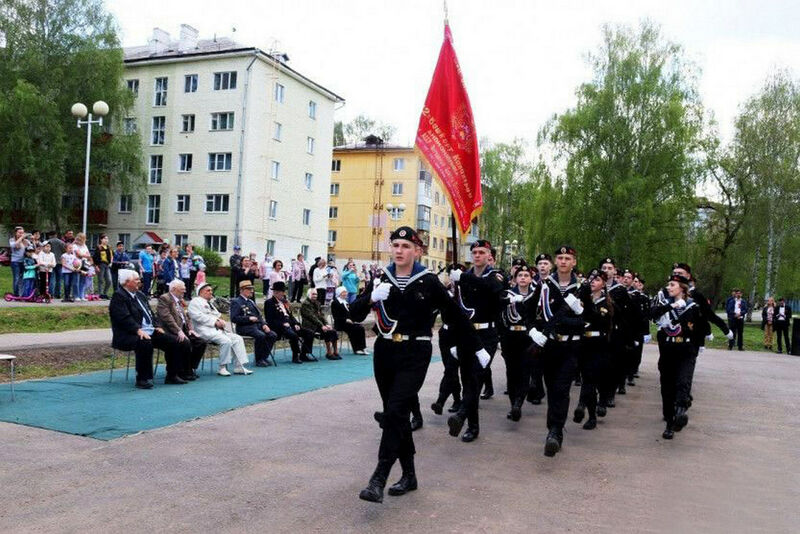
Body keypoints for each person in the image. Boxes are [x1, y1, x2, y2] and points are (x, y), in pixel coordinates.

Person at [350, 226, 488, 503]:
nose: (399, 251)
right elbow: (354, 314)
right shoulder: (381, 278)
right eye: (396, 245)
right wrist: (371, 297)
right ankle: (410, 475)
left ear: (417, 251)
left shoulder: (428, 281)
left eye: (405, 246)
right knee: (396, 415)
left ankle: (379, 477)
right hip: (385, 350)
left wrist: (477, 347)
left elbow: (456, 315)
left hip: (416, 351)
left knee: (396, 411)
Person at [528, 245, 585, 456]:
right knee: (552, 389)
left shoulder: (582, 288)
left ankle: (555, 431)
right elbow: (529, 312)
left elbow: (587, 322)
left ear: (574, 262)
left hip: (570, 347)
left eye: (567, 258)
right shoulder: (544, 286)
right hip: (549, 346)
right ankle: (553, 427)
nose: (563, 261)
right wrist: (533, 331)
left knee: (561, 389)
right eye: (560, 257)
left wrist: (577, 315)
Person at [447, 239, 504, 443]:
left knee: (476, 378)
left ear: (489, 256)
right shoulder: (466, 276)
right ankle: (473, 426)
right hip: (466, 334)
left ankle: (462, 416)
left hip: (486, 336)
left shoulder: (494, 276)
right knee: (466, 380)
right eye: (475, 252)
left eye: (482, 252)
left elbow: (494, 289)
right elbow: (457, 309)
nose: (478, 255)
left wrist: (462, 277)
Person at [109, 269, 188, 388]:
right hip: (128, 334)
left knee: (174, 341)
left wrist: (157, 326)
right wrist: (138, 330)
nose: (139, 281)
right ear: (126, 282)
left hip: (149, 331)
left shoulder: (140, 295)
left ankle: (172, 375)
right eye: (136, 279)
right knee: (145, 343)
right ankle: (143, 378)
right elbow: (124, 318)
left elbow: (150, 313)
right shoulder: (119, 296)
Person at [650, 273, 703, 439]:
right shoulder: (665, 304)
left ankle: (676, 417)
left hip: (686, 351)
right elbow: (652, 314)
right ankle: (669, 415)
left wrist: (698, 346)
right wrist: (671, 307)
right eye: (668, 284)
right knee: (667, 387)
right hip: (668, 350)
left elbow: (700, 327)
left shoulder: (693, 306)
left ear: (682, 288)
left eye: (672, 285)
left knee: (683, 382)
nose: (668, 287)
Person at [573, 269, 614, 430]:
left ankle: (583, 406)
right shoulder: (583, 298)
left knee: (590, 379)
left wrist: (586, 301)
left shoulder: (606, 303)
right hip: (582, 343)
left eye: (597, 280)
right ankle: (590, 414)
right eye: (591, 279)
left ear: (603, 284)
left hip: (598, 345)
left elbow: (596, 318)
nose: (592, 282)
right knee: (586, 378)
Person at [187, 282, 252, 376]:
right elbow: (198, 317)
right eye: (208, 290)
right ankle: (222, 367)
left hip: (216, 330)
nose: (211, 292)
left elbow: (217, 315)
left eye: (211, 290)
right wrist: (215, 321)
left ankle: (239, 366)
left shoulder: (209, 303)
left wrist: (221, 321)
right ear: (201, 292)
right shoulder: (195, 302)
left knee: (237, 339)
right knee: (226, 341)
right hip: (203, 330)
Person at [498, 262, 536, 422]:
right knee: (511, 373)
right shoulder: (507, 295)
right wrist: (500, 337)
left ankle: (518, 404)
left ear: (530, 279)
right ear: (515, 278)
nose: (523, 277)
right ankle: (513, 403)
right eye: (520, 275)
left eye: (526, 275)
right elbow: (500, 316)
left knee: (524, 372)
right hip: (510, 338)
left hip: (527, 339)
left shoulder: (536, 295)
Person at [156, 279, 207, 380]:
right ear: (174, 289)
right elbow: (167, 318)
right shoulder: (165, 298)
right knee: (185, 343)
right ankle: (182, 371)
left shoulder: (179, 300)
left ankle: (188, 368)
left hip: (183, 330)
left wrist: (190, 329)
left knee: (200, 342)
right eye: (182, 289)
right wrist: (178, 331)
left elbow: (186, 317)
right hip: (171, 330)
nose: (184, 291)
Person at [264, 281, 315, 363]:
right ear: (276, 292)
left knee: (309, 333)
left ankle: (304, 354)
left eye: (284, 291)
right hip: (279, 327)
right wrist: (282, 324)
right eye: (282, 292)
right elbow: (270, 320)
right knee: (293, 335)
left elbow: (290, 316)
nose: (284, 293)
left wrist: (296, 323)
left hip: (290, 325)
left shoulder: (284, 302)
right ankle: (295, 356)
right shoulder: (269, 303)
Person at [230, 280, 278, 367]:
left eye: (251, 289)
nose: (251, 291)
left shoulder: (251, 302)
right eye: (248, 289)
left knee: (272, 335)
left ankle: (264, 357)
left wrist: (264, 324)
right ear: (241, 290)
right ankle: (258, 359)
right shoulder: (236, 301)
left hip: (256, 326)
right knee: (261, 335)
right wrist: (248, 318)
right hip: (244, 327)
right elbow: (234, 318)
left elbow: (259, 315)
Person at [526, 253, 552, 405]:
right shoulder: (532, 283)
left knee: (548, 360)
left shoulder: (554, 283)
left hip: (549, 325)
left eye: (545, 263)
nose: (543, 266)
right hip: (536, 325)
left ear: (550, 266)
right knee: (534, 359)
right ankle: (537, 389)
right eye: (540, 263)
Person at [301, 288, 340, 360]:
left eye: (316, 294)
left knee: (333, 331)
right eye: (313, 294)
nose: (315, 296)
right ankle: (329, 353)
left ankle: (335, 352)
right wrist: (322, 326)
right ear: (309, 295)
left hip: (318, 325)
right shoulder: (305, 304)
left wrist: (327, 324)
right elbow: (312, 317)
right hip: (309, 325)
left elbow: (321, 316)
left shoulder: (317, 303)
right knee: (326, 331)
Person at [331, 286, 368, 354]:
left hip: (348, 323)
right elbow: (336, 316)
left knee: (361, 328)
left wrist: (353, 320)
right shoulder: (335, 303)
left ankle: (363, 347)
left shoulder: (345, 302)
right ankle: (356, 349)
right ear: (339, 293)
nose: (345, 293)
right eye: (343, 292)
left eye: (346, 292)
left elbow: (349, 314)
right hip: (340, 323)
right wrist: (345, 320)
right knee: (354, 329)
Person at [8, 226, 29, 296]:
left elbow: (32, 248)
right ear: (15, 233)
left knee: (23, 278)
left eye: (22, 233)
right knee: (16, 278)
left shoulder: (25, 241)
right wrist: (21, 237)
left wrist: (33, 240)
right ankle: (16, 294)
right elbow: (14, 245)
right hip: (15, 262)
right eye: (19, 233)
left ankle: (22, 293)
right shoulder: (12, 240)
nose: (21, 234)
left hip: (23, 262)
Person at [45, 231, 66, 298]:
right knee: (59, 279)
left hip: (51, 262)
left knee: (52, 279)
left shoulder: (47, 242)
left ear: (49, 235)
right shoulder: (61, 242)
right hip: (59, 262)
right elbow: (64, 250)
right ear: (56, 235)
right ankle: (58, 294)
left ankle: (51, 294)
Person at [93, 234, 113, 298]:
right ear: (101, 240)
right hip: (100, 265)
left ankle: (105, 293)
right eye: (105, 238)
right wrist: (96, 266)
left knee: (109, 280)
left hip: (107, 265)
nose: (106, 240)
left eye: (107, 239)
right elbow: (95, 258)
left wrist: (111, 262)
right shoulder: (99, 247)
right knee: (100, 280)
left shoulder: (109, 247)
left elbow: (112, 255)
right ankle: (100, 294)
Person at [72, 233, 91, 301]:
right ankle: (76, 296)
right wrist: (84, 255)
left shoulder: (84, 245)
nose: (79, 241)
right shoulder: (74, 246)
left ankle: (81, 295)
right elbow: (79, 254)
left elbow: (88, 255)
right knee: (76, 280)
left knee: (83, 280)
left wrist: (84, 255)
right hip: (77, 264)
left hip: (84, 263)